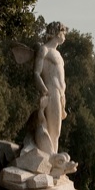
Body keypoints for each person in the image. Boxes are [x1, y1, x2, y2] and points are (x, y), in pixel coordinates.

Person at [32, 22, 68, 155]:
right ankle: (50, 158)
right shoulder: (44, 50)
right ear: (57, 33)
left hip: (60, 93)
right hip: (51, 91)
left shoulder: (57, 53)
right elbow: (36, 73)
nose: (64, 36)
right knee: (53, 128)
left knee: (57, 130)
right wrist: (44, 91)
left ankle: (53, 160)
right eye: (63, 32)